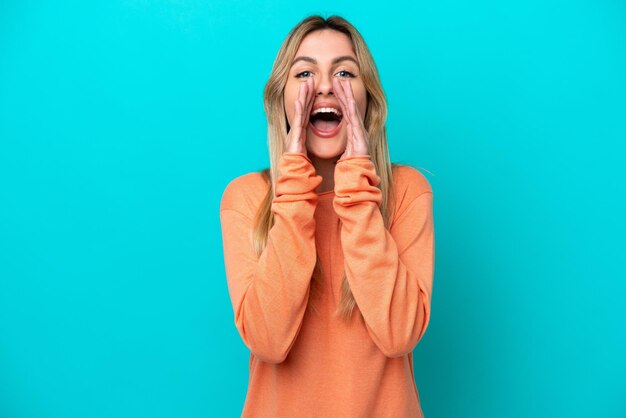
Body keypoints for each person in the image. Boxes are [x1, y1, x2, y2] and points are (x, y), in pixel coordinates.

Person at [219, 14, 435, 417]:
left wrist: (357, 192)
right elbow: (268, 341)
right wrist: (296, 185)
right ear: (279, 99)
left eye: (344, 73)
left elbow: (398, 335)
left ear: (368, 97)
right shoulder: (247, 198)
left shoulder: (407, 191)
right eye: (304, 73)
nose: (322, 86)